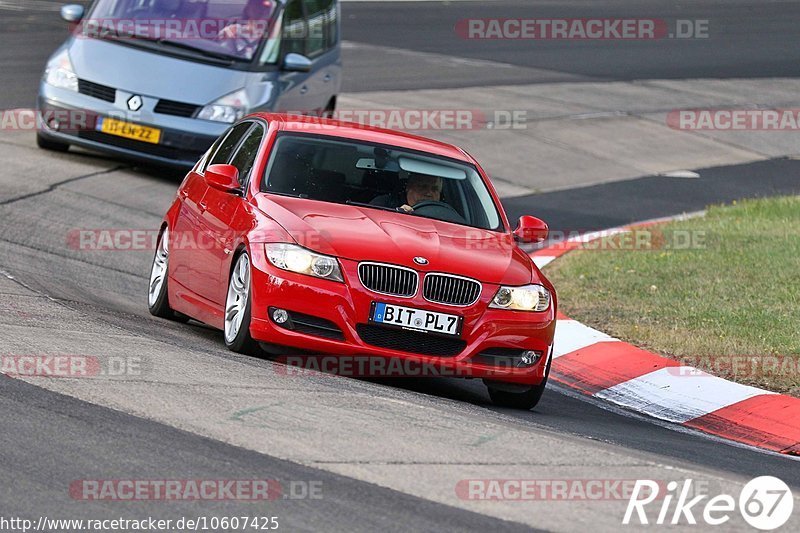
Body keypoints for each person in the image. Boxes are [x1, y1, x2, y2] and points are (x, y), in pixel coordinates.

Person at [371, 173, 444, 213]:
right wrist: (398, 216)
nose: (429, 193)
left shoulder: (446, 214)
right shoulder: (383, 203)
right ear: (409, 187)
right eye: (423, 187)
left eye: (435, 189)